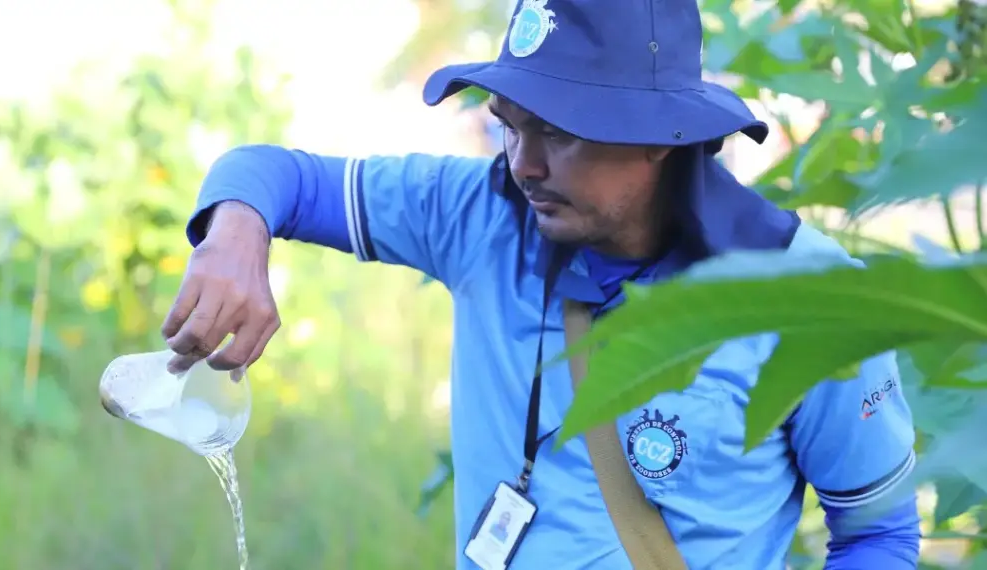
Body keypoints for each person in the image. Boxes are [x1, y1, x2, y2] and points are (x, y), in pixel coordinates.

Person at [160, 0, 922, 568]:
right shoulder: (477, 216)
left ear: (659, 137)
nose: (523, 164)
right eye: (510, 124)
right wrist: (234, 236)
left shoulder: (814, 300)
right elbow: (275, 176)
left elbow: (878, 534)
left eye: (557, 132)